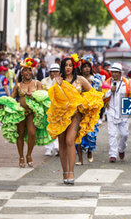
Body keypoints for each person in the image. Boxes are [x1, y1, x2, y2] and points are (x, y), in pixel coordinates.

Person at [47, 54, 104, 184]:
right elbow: (52, 97)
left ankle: (71, 173)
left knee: (69, 141)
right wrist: (58, 85)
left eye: (70, 65)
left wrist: (85, 103)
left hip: (75, 116)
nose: (68, 68)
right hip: (61, 116)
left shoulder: (80, 80)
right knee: (62, 143)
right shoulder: (57, 80)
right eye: (65, 65)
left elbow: (92, 93)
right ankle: (65, 173)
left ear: (74, 67)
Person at [0, 57, 53, 168]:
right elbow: (11, 99)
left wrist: (33, 95)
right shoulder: (18, 85)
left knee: (32, 133)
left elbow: (43, 96)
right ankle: (21, 157)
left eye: (29, 70)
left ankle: (29, 154)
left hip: (32, 113)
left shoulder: (37, 83)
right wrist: (0, 105)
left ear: (32, 71)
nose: (28, 72)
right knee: (19, 135)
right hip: (20, 113)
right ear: (21, 73)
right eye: (25, 70)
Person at [103, 63, 131, 163]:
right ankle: (113, 154)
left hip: (123, 112)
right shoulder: (107, 83)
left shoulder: (127, 83)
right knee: (112, 134)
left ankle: (121, 149)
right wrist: (110, 91)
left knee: (124, 134)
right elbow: (102, 96)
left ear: (120, 73)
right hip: (111, 111)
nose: (114, 74)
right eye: (112, 72)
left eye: (116, 72)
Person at [75, 55, 103, 165]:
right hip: (80, 109)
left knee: (91, 133)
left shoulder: (97, 79)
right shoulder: (77, 79)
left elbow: (100, 93)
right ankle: (80, 159)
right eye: (84, 66)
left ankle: (90, 151)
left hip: (92, 111)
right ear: (81, 68)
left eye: (88, 66)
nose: (86, 68)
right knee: (79, 133)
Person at [41, 63, 60, 156]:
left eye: (56, 71)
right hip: (47, 107)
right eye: (53, 71)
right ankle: (48, 148)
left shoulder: (62, 81)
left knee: (57, 127)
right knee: (47, 128)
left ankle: (57, 147)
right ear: (50, 72)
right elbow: (43, 93)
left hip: (58, 108)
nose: (54, 73)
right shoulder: (44, 81)